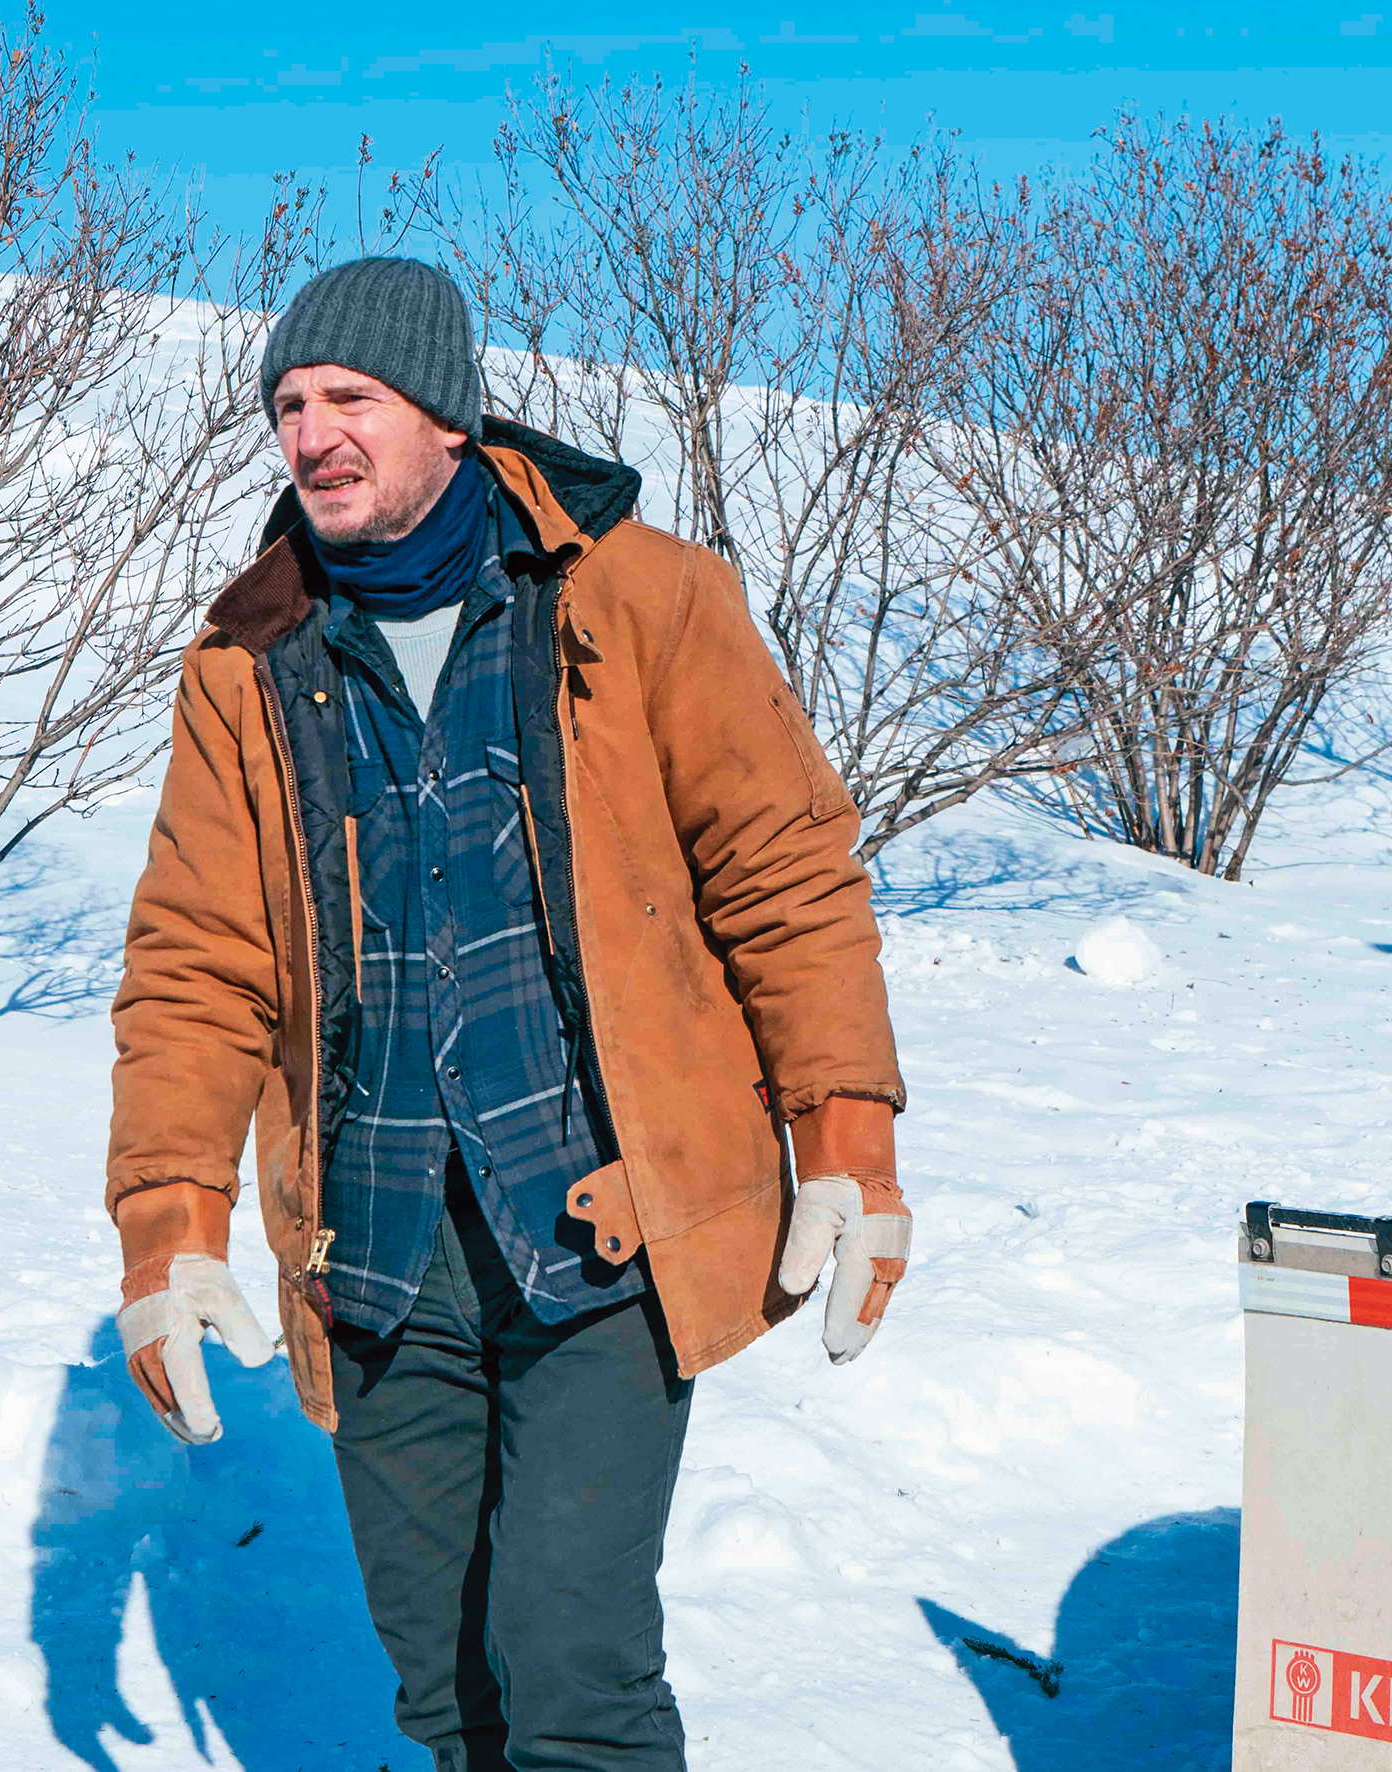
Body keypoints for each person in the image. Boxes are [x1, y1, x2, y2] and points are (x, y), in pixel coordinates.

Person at [102, 256, 911, 1772]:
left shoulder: (643, 596)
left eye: (349, 398)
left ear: (450, 418)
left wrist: (846, 1138)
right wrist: (167, 1220)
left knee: (573, 1673)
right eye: (287, 405)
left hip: (603, 1233)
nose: (312, 435)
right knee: (443, 1691)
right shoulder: (248, 663)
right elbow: (197, 963)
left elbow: (786, 877)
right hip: (379, 1251)